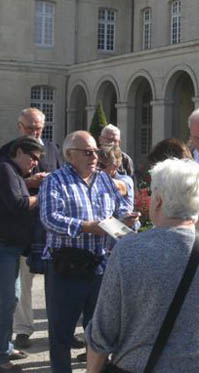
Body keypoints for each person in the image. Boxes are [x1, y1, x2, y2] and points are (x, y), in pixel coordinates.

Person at [86, 158, 199, 373]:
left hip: (143, 365)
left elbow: (103, 332)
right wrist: (197, 209)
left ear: (157, 201)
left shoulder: (130, 250)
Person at [40, 131, 133, 373]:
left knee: (100, 330)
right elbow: (49, 218)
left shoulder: (103, 179)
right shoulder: (55, 180)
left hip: (100, 265)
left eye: (97, 151)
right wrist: (86, 227)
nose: (96, 156)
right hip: (66, 267)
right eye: (89, 152)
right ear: (70, 155)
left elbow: (118, 208)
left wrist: (127, 219)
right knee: (61, 333)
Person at [0, 136, 44, 372]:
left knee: (10, 299)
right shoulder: (4, 169)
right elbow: (18, 204)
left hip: (6, 245)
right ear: (19, 151)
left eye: (37, 160)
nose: (35, 163)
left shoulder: (12, 171)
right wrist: (42, 196)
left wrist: (30, 183)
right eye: (32, 157)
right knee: (5, 302)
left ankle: (5, 346)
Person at [0, 108, 62, 350]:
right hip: (23, 224)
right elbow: (1, 183)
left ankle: (58, 327)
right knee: (24, 280)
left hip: (51, 225)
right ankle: (23, 329)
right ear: (19, 126)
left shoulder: (53, 148)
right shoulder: (8, 151)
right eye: (30, 128)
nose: (35, 132)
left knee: (56, 279)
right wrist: (30, 182)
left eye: (38, 128)